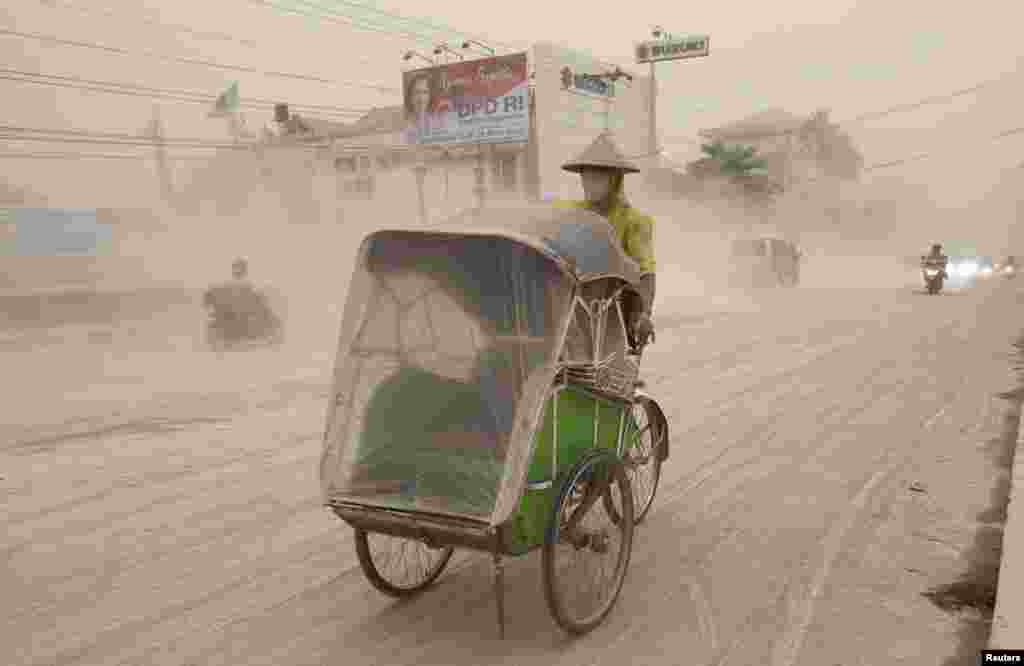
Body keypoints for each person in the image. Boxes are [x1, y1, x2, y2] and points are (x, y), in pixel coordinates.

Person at [552, 132, 657, 346]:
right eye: (586, 177)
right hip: (572, 294)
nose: (589, 184)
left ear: (615, 181)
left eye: (597, 178)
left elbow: (645, 272)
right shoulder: (570, 212)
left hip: (614, 302)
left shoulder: (634, 220)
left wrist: (644, 314)